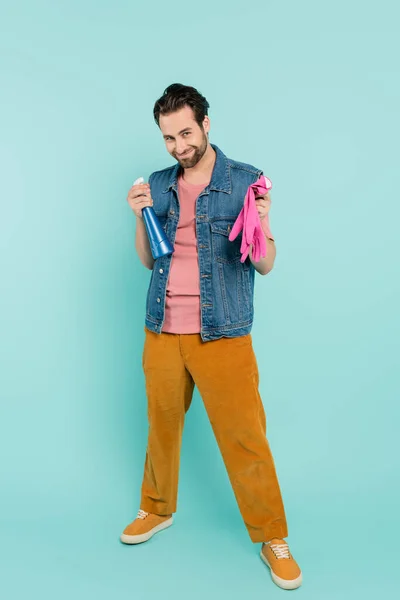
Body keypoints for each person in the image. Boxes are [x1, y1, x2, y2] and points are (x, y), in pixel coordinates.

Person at [122, 83, 302, 591]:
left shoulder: (244, 181)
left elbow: (264, 264)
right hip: (161, 330)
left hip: (222, 334)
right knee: (161, 429)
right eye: (167, 137)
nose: (179, 145)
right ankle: (156, 509)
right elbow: (147, 259)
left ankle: (273, 537)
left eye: (185, 132)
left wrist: (263, 222)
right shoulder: (158, 184)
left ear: (206, 124)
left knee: (245, 439)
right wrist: (138, 216)